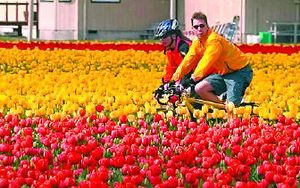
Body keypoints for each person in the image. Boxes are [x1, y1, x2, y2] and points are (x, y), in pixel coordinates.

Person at [172, 11, 253, 107]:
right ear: (192, 28)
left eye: (202, 26)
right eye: (196, 27)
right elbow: (188, 61)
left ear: (207, 26)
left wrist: (193, 78)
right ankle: (222, 106)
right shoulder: (197, 42)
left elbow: (207, 60)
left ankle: (232, 107)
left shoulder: (213, 40)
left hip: (239, 72)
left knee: (232, 107)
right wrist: (174, 79)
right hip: (224, 73)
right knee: (200, 88)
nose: (199, 29)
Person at [154, 19, 192, 84]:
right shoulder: (169, 49)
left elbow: (188, 69)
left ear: (173, 36)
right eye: (160, 38)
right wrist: (166, 83)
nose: (162, 40)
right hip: (184, 78)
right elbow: (170, 69)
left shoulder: (184, 47)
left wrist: (179, 83)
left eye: (164, 36)